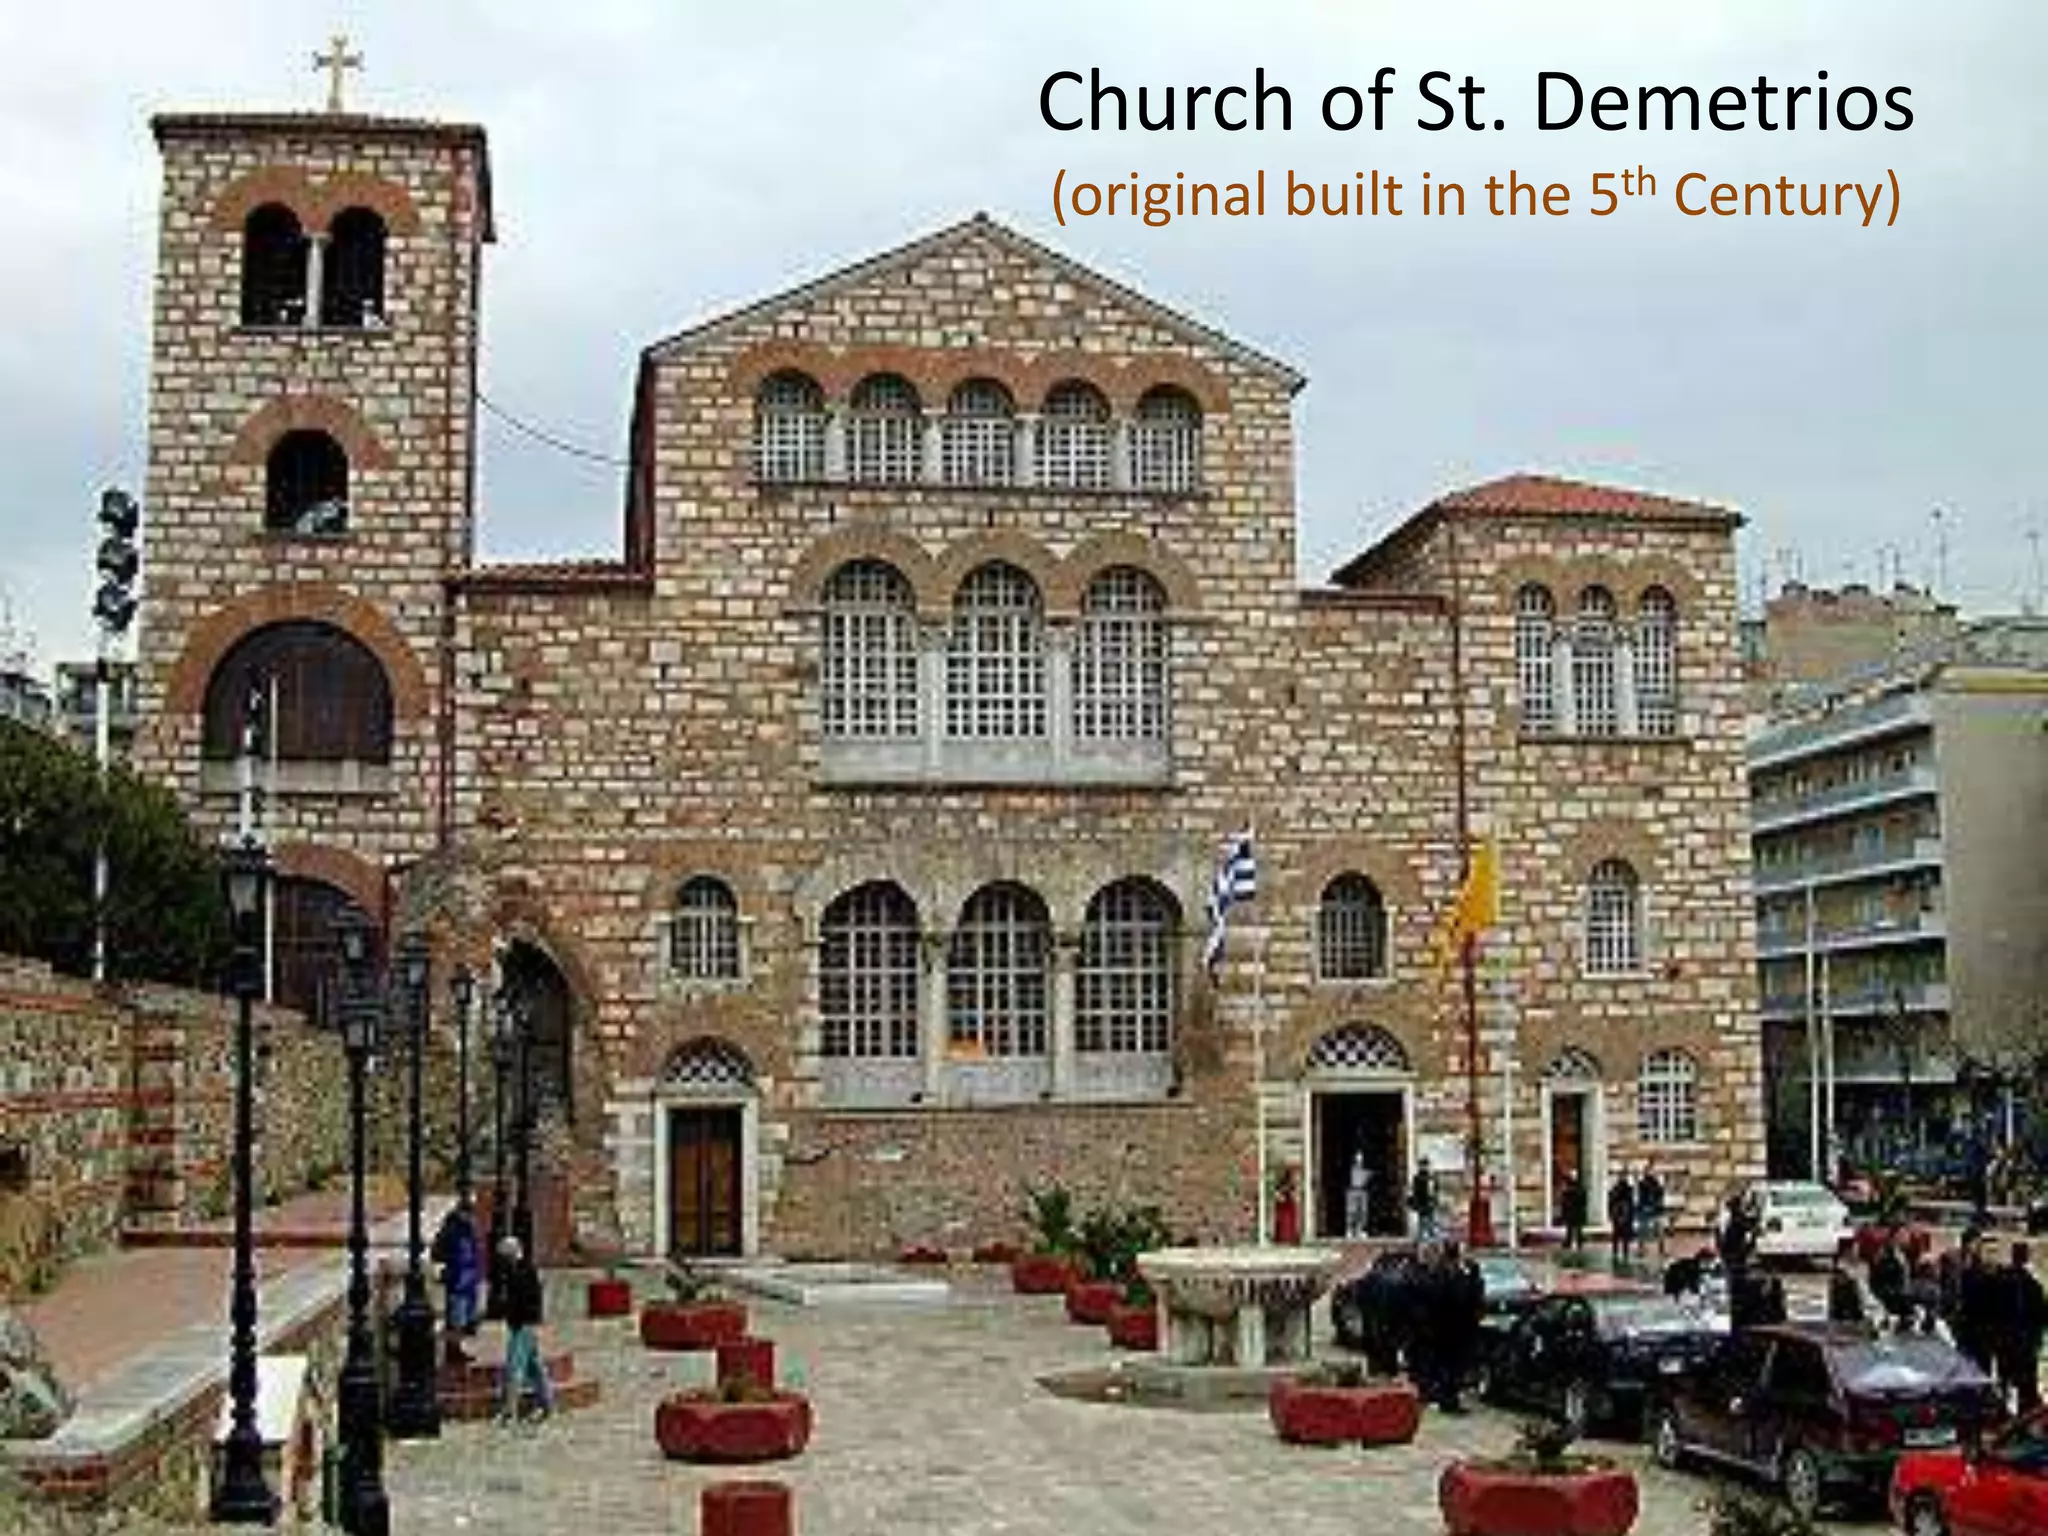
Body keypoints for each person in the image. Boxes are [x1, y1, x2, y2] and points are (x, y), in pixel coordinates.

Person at [496, 1236, 554, 1425]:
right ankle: (546, 1403)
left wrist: (521, 1319)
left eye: (505, 1255)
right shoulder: (514, 1270)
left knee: (515, 1367)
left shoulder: (524, 1271)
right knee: (535, 1366)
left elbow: (528, 1300)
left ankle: (509, 1411)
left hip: (523, 1324)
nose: (503, 1259)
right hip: (521, 1323)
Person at [432, 1194, 483, 1365]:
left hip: (468, 1280)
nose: (472, 1217)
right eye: (469, 1213)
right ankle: (453, 1350)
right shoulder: (451, 1230)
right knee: (456, 1318)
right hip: (457, 1280)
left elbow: (475, 1252)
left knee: (465, 1318)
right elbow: (437, 1253)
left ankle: (456, 1348)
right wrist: (450, 1267)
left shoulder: (469, 1230)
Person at [1997, 1242, 2046, 1414]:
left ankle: (2003, 1414)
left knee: (2005, 1382)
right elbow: (2041, 1317)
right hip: (2025, 1343)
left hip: (2005, 1341)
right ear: (2027, 1258)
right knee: (2026, 1387)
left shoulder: (2001, 1279)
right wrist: (2036, 1340)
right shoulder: (2033, 1284)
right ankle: (2024, 1416)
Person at [1635, 1165, 1667, 1260]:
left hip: (1654, 1210)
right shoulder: (1643, 1184)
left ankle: (1661, 1250)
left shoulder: (1656, 1184)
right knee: (1643, 1231)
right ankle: (1642, 1249)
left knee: (1659, 1231)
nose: (1650, 1173)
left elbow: (1660, 1195)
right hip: (1646, 1210)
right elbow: (1641, 1196)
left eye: (1651, 1171)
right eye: (1648, 1171)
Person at [1606, 1174, 1637, 1267]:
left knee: (1617, 1234)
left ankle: (1616, 1251)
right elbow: (1631, 1204)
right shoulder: (1628, 1190)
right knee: (1624, 1236)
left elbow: (1611, 1202)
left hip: (1618, 1214)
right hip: (1624, 1215)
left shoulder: (1615, 1190)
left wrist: (1611, 1214)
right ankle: (1624, 1251)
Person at [1827, 1258, 1867, 1325]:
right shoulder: (1835, 1284)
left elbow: (1857, 1298)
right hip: (1841, 1309)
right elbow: (1833, 1300)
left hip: (1851, 1307)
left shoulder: (1852, 1283)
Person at [1409, 1159, 1440, 1243]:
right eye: (1423, 1166)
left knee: (1430, 1220)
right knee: (1423, 1221)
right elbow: (1415, 1191)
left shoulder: (1431, 1177)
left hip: (1429, 1202)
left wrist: (1435, 1200)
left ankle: (1429, 1237)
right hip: (1423, 1202)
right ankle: (1423, 1237)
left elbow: (1436, 1190)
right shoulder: (1418, 1178)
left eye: (1425, 1165)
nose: (1425, 1167)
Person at [1345, 1150, 1372, 1240]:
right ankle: (1350, 1230)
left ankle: (1361, 1230)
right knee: (1351, 1211)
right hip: (1352, 1190)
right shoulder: (1349, 1169)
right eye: (1358, 1158)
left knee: (1363, 1211)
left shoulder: (1366, 1169)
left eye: (1361, 1158)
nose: (1359, 1160)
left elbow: (1369, 1179)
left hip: (1363, 1190)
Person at [1560, 1174, 1588, 1254]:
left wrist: (1564, 1212)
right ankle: (1578, 1242)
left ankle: (1570, 1242)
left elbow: (1565, 1203)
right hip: (1578, 1212)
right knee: (1577, 1228)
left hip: (1572, 1212)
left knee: (1571, 1228)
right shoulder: (1580, 1190)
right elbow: (1584, 1202)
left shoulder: (1568, 1192)